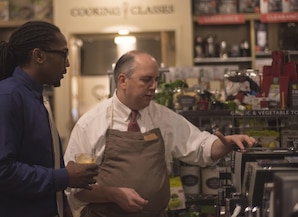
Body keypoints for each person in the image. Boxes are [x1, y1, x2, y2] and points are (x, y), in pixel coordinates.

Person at [64, 50, 257, 217]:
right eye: (146, 80)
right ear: (123, 81)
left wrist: (225, 144)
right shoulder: (90, 124)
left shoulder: (162, 117)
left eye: (156, 80)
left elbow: (199, 146)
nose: (154, 86)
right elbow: (74, 188)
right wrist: (113, 194)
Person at [0, 21, 99, 217]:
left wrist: (63, 207)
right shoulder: (7, 97)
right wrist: (64, 176)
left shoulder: (34, 97)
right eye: (63, 54)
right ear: (38, 56)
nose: (67, 63)